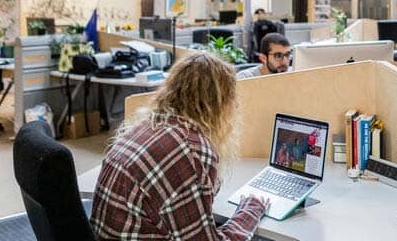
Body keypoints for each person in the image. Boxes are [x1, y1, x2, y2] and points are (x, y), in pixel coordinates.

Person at [90, 52, 268, 240]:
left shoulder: (145, 127)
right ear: (220, 103)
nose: (236, 105)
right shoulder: (190, 150)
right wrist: (251, 210)